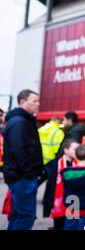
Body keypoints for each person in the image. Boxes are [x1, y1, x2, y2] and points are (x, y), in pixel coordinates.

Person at [3, 89, 45, 230]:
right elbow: (19, 152)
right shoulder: (19, 122)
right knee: (26, 216)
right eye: (34, 101)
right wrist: (29, 172)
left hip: (22, 176)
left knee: (17, 215)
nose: (38, 104)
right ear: (22, 102)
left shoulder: (23, 120)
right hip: (22, 178)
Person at [43, 139, 79, 230]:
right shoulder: (55, 164)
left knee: (72, 226)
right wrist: (50, 204)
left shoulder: (79, 163)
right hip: (58, 203)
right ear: (66, 150)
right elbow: (50, 186)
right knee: (59, 226)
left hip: (73, 202)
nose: (77, 151)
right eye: (74, 149)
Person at [62, 144, 85, 230]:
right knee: (83, 225)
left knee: (70, 225)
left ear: (75, 155)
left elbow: (65, 187)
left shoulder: (67, 172)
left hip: (71, 205)